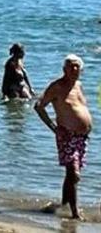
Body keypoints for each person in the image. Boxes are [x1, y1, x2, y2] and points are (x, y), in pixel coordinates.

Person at [34, 54, 93, 220]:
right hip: (66, 135)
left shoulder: (79, 85)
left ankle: (64, 205)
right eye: (70, 66)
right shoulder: (57, 87)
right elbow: (39, 106)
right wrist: (54, 128)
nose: (74, 69)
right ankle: (75, 214)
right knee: (74, 175)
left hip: (82, 138)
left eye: (76, 66)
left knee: (71, 176)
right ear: (64, 69)